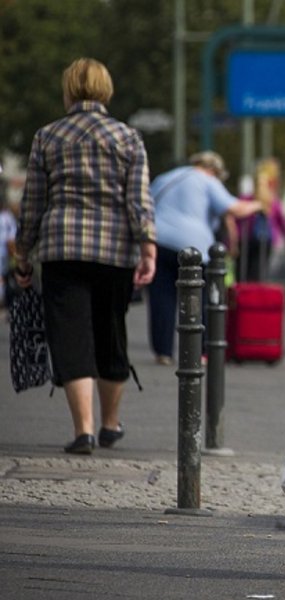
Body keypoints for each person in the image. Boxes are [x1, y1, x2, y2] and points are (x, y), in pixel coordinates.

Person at [14, 57, 157, 454]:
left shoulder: (48, 136)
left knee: (71, 337)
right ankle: (111, 424)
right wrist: (147, 247)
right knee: (111, 332)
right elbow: (139, 200)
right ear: (106, 89)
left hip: (62, 248)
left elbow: (33, 202)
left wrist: (23, 254)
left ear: (68, 90)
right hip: (115, 250)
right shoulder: (127, 137)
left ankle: (85, 431)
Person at [146, 150, 263, 365]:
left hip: (159, 241)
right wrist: (258, 204)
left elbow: (146, 207)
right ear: (215, 170)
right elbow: (234, 208)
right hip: (194, 247)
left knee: (161, 297)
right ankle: (200, 351)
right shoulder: (207, 180)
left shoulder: (165, 178)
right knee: (200, 298)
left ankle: (162, 351)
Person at [233, 157, 285, 282]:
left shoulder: (247, 200)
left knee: (243, 274)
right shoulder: (273, 202)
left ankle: (245, 299)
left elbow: (236, 221)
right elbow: (283, 224)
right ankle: (254, 299)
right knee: (258, 274)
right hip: (263, 241)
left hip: (246, 241)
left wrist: (232, 242)